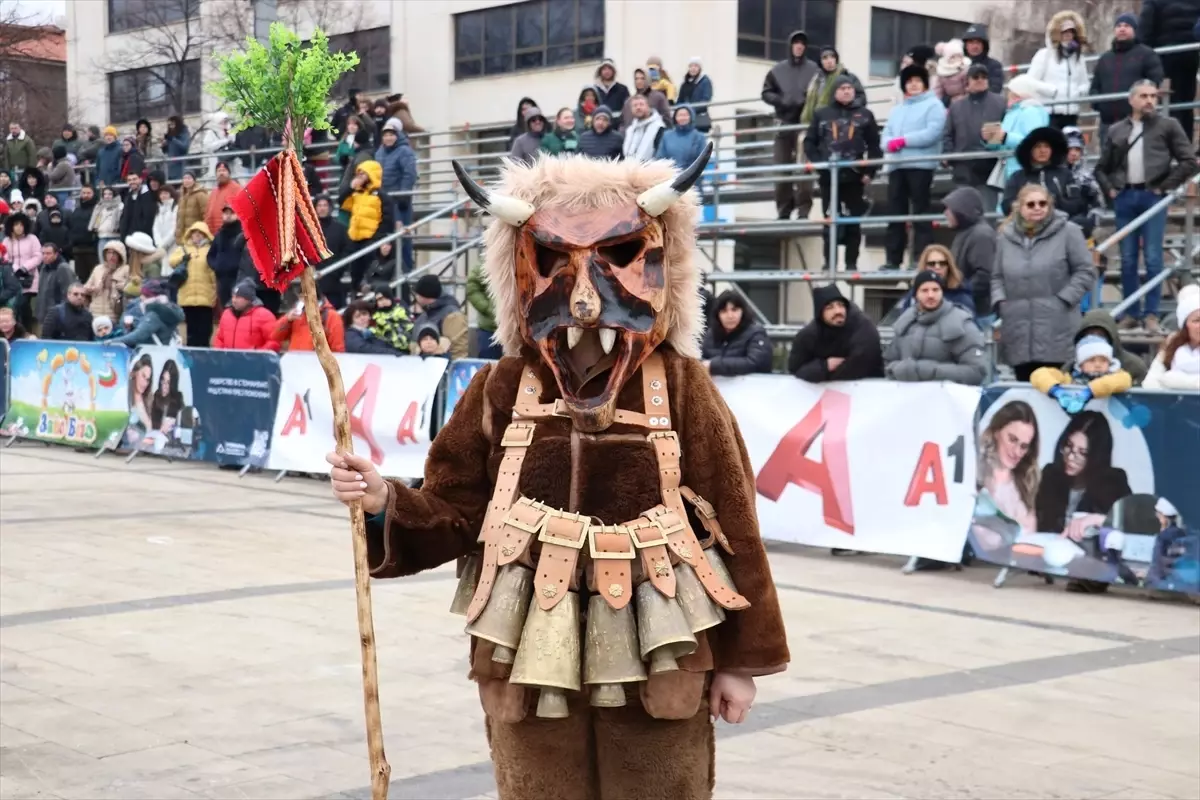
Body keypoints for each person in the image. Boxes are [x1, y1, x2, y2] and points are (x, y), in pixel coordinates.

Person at [330, 151, 787, 800]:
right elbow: (455, 513)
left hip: (659, 662)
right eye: (553, 262)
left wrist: (741, 663)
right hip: (526, 663)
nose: (584, 300)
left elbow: (735, 524)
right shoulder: (499, 389)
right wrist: (385, 501)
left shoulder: (683, 389)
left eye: (615, 257)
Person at [1094, 81, 1196, 333]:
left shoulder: (1168, 125)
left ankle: (1151, 314)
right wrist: (1111, 190)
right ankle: (1131, 313)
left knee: (1152, 257)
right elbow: (1101, 168)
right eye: (1144, 96)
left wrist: (1165, 187)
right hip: (1125, 196)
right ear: (1131, 100)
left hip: (1153, 196)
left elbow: (1189, 161)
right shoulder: (1117, 129)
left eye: (1153, 96)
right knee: (1128, 258)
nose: (1150, 100)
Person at [992, 185, 1094, 381]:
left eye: (1042, 203)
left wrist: (1063, 300)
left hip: (1058, 327)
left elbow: (1085, 271)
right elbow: (996, 276)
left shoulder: (1069, 232)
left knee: (1057, 389)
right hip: (1017, 329)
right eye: (1031, 204)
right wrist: (1001, 303)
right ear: (1020, 207)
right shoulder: (1004, 237)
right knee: (1025, 391)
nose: (1037, 207)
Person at [802, 75, 880, 270]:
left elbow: (874, 146)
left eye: (849, 88)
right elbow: (809, 142)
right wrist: (820, 164)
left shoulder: (865, 115)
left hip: (855, 177)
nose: (846, 91)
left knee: (853, 221)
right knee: (830, 221)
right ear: (835, 91)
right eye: (842, 88)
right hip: (829, 177)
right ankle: (829, 263)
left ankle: (851, 263)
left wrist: (870, 172)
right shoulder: (822, 113)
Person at [880, 64, 946, 269]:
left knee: (920, 212)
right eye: (909, 81)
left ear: (925, 84)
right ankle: (893, 259)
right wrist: (889, 144)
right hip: (896, 166)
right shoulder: (897, 110)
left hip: (921, 165)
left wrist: (903, 141)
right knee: (895, 213)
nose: (913, 84)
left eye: (918, 80)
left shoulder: (934, 105)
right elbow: (885, 136)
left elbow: (932, 133)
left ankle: (921, 258)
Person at [1033, 410, 1132, 545]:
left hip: (1093, 556)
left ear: (1097, 457)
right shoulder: (1050, 474)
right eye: (1069, 446)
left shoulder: (1114, 481)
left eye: (1082, 453)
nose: (1071, 457)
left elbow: (1135, 526)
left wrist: (1097, 520)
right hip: (1050, 551)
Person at [884, 271, 987, 385]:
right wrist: (901, 370)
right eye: (924, 290)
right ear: (916, 294)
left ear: (942, 292)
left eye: (935, 290)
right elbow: (888, 365)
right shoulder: (905, 322)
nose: (930, 295)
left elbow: (976, 371)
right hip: (907, 394)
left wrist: (928, 371)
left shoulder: (961, 323)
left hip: (948, 395)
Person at [1002, 126, 1100, 237]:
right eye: (1038, 147)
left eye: (1046, 146)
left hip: (1060, 227)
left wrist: (1056, 201)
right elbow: (1007, 206)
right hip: (1028, 229)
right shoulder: (1017, 177)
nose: (1043, 150)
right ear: (1029, 150)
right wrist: (1031, 206)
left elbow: (1077, 204)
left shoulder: (1065, 174)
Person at [762, 30, 818, 220]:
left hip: (805, 126)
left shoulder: (814, 70)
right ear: (791, 46)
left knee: (804, 170)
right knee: (781, 169)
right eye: (796, 43)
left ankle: (803, 211)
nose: (799, 46)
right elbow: (766, 92)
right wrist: (781, 101)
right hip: (784, 125)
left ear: (805, 47)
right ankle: (784, 210)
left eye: (802, 43)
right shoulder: (778, 70)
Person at [1090, 14, 1165, 146]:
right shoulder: (1105, 59)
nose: (1122, 29)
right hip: (1108, 123)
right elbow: (1095, 86)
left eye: (1127, 26)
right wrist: (1098, 105)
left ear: (1135, 30)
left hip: (1137, 122)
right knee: (1108, 158)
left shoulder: (1147, 54)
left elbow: (1155, 82)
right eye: (1119, 26)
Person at [943, 64, 1008, 211]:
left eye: (984, 77)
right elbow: (947, 133)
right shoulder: (956, 106)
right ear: (968, 81)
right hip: (963, 168)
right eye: (976, 77)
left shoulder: (1000, 103)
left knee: (988, 213)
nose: (980, 80)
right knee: (963, 213)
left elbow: (1007, 131)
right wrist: (948, 156)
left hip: (990, 168)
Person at [787, 285, 883, 382]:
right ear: (820, 314)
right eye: (830, 308)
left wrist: (824, 375)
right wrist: (825, 366)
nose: (838, 311)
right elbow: (795, 369)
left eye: (841, 305)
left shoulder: (863, 327)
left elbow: (861, 365)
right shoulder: (809, 335)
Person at [976, 401, 1040, 537]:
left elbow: (1030, 536)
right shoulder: (973, 471)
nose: (1017, 452)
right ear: (996, 432)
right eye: (1012, 439)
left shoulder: (1026, 482)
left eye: (1024, 446)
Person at [1140, 0, 1200, 144]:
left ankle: (1171, 146)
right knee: (1186, 104)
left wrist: (1142, 56)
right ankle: (1185, 147)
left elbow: (1145, 29)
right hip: (1190, 54)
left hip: (1164, 56)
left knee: (1168, 104)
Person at [1031, 333, 1134, 415]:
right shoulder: (1069, 379)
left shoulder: (1117, 375)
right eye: (1091, 360)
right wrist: (1056, 391)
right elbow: (1038, 374)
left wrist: (1089, 392)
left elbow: (1125, 379)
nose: (1098, 365)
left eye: (1103, 360)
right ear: (1081, 364)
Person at [1027, 12, 1091, 130]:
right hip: (1049, 112)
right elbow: (1030, 81)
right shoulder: (1044, 55)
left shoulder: (1078, 58)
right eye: (1064, 32)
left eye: (1071, 32)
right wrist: (1052, 91)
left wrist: (1078, 92)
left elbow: (1085, 83)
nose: (1068, 35)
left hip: (1072, 113)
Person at [339, 160, 394, 293]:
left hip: (371, 240)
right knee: (355, 272)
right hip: (355, 239)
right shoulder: (356, 193)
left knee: (370, 271)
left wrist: (376, 237)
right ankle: (356, 294)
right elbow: (341, 202)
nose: (360, 176)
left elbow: (388, 219)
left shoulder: (381, 196)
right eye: (358, 174)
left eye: (363, 173)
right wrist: (350, 187)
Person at [984, 75, 1051, 186]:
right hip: (1010, 170)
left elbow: (1035, 142)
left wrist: (1005, 137)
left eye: (1011, 91)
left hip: (1024, 170)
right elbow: (1003, 143)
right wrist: (990, 139)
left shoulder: (1032, 112)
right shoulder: (1012, 112)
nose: (1008, 94)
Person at [942, 187, 996, 317]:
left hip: (978, 313)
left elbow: (985, 276)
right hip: (968, 309)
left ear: (962, 211)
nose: (945, 213)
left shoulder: (981, 235)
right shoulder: (965, 232)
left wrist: (959, 294)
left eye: (949, 209)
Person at [375, 118, 417, 277]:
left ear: (397, 135)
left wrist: (404, 195)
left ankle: (406, 271)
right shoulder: (379, 152)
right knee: (386, 238)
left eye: (391, 134)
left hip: (399, 202)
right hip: (384, 201)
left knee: (402, 236)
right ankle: (388, 273)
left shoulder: (405, 151)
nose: (388, 138)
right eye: (385, 135)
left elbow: (409, 173)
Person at [700, 290, 772, 376]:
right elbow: (698, 359)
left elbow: (755, 363)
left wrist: (713, 365)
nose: (730, 316)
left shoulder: (756, 333)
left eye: (734, 310)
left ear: (743, 311)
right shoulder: (711, 335)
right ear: (717, 314)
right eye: (724, 311)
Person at [1143, 284, 1200, 390]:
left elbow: (1166, 379)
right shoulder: (1172, 343)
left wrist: (1172, 380)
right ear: (1185, 325)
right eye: (1196, 321)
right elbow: (1149, 383)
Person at [168, 221, 216, 347]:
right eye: (194, 233)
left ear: (205, 235)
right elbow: (171, 262)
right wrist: (182, 258)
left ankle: (204, 353)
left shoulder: (210, 250)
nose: (197, 235)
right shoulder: (183, 249)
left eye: (200, 233)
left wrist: (215, 291)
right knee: (190, 331)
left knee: (205, 330)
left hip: (205, 297)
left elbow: (213, 273)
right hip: (187, 297)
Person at [897, 245, 976, 314]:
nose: (937, 267)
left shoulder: (962, 297)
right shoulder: (913, 295)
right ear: (925, 266)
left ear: (949, 266)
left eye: (942, 263)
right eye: (932, 264)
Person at [109, 280, 185, 347]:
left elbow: (138, 336)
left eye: (144, 295)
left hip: (151, 353)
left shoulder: (154, 314)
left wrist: (111, 342)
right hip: (164, 351)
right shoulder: (167, 311)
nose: (141, 298)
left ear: (152, 297)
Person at [801, 46, 865, 124]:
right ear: (820, 61)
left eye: (832, 57)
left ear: (836, 59)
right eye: (825, 58)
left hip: (839, 122)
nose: (829, 61)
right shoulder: (816, 80)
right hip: (817, 122)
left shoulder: (847, 77)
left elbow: (861, 98)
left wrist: (846, 108)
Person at [411, 274, 468, 360]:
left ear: (423, 296)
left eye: (416, 294)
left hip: (441, 365)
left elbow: (458, 351)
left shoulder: (452, 315)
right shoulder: (427, 313)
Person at [1145, 497, 1197, 592]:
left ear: (1163, 518)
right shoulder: (1185, 535)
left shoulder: (1162, 538)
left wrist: (1148, 580)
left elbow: (1156, 568)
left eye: (1158, 515)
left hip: (1167, 586)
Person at [213, 280, 279, 351]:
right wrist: (220, 354)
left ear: (249, 299)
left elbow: (274, 341)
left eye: (238, 297)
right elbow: (219, 339)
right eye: (233, 297)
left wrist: (258, 354)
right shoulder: (226, 314)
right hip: (228, 357)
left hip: (254, 358)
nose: (234, 300)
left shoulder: (264, 315)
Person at [2, 212, 41, 330]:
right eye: (16, 224)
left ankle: (27, 330)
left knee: (24, 305)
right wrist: (14, 268)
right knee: (14, 307)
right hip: (12, 278)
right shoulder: (7, 240)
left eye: (21, 225)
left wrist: (24, 267)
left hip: (28, 278)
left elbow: (38, 256)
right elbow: (5, 257)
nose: (19, 227)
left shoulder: (32, 238)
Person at [271, 294, 345, 353]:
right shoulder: (295, 315)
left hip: (317, 364)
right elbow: (275, 336)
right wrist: (287, 319)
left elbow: (337, 349)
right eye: (301, 297)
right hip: (295, 361)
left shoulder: (332, 316)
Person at [314, 194, 351, 306]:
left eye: (325, 205)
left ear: (330, 208)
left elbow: (347, 251)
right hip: (313, 278)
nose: (322, 208)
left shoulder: (340, 229)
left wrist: (337, 270)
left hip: (335, 278)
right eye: (319, 205)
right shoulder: (307, 229)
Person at [206, 204, 244, 307]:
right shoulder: (219, 234)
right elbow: (210, 255)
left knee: (237, 307)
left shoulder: (242, 233)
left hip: (238, 277)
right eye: (226, 213)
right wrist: (217, 266)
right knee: (225, 307)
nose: (228, 215)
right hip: (222, 278)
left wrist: (239, 267)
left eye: (231, 213)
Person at [85, 240, 130, 322]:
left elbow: (133, 290)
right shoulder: (98, 269)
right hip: (95, 314)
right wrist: (91, 288)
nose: (111, 256)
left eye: (114, 253)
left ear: (120, 254)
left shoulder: (126, 269)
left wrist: (124, 286)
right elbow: (85, 287)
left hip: (114, 316)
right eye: (109, 252)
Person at [465, 261, 501, 359]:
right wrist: (487, 308)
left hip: (519, 329)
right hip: (490, 327)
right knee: (488, 363)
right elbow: (473, 288)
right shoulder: (487, 262)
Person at [655, 106, 707, 170]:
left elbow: (703, 160)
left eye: (685, 115)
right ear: (675, 118)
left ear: (691, 117)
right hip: (671, 173)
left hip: (693, 173)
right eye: (680, 115)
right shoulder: (667, 136)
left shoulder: (699, 137)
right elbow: (660, 157)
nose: (682, 118)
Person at [36, 242, 76, 321]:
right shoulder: (44, 268)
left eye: (48, 253)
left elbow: (68, 293)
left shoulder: (63, 268)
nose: (45, 256)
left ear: (56, 254)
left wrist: (62, 313)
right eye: (43, 253)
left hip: (58, 314)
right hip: (44, 313)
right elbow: (41, 292)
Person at [67, 184, 99, 283]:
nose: (85, 195)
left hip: (92, 250)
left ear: (94, 194)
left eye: (88, 193)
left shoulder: (97, 209)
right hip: (78, 250)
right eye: (83, 193)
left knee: (95, 278)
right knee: (82, 279)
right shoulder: (77, 210)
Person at [961, 23, 1004, 94]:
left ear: (984, 45)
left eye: (978, 42)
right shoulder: (957, 64)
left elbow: (995, 89)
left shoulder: (994, 66)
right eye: (971, 42)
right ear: (966, 45)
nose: (975, 46)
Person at [621, 95, 667, 161]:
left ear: (648, 107)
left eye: (641, 104)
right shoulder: (630, 129)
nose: (638, 107)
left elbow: (660, 154)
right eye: (635, 105)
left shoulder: (659, 127)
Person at [369, 286, 412, 353]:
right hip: (386, 349)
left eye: (385, 298)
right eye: (379, 300)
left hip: (405, 347)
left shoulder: (400, 310)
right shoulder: (375, 316)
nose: (383, 302)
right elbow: (376, 331)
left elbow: (409, 326)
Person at [203, 162, 241, 237]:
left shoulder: (237, 189)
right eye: (219, 171)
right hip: (214, 236)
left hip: (231, 235)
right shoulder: (213, 192)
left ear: (229, 173)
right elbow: (207, 214)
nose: (221, 173)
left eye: (224, 170)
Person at [677, 57, 713, 132]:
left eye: (696, 66)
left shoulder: (705, 81)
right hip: (686, 120)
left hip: (700, 119)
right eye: (691, 66)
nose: (693, 68)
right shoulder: (685, 84)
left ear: (700, 68)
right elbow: (680, 100)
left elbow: (706, 99)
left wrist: (690, 110)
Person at [118, 172, 156, 240]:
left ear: (140, 180)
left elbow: (149, 218)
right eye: (129, 180)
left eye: (134, 179)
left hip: (144, 237)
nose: (132, 182)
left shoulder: (148, 196)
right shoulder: (127, 197)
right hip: (129, 236)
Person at [932, 40, 970, 108]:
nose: (956, 59)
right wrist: (936, 103)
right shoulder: (941, 72)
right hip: (948, 101)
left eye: (959, 56)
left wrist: (964, 98)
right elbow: (938, 89)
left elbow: (968, 86)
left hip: (964, 101)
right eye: (953, 57)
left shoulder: (964, 70)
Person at [174, 172, 208, 245]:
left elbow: (206, 215)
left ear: (194, 180)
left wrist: (201, 233)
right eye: (185, 178)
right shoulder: (182, 197)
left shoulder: (200, 195)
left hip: (195, 236)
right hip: (182, 237)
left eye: (189, 178)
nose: (186, 180)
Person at [161, 116, 190, 182]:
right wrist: (164, 146)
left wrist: (173, 139)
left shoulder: (184, 133)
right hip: (170, 167)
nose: (171, 127)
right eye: (169, 125)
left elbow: (184, 147)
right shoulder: (170, 134)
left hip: (180, 167)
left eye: (172, 124)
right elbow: (167, 151)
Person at [46, 145, 75, 210]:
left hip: (61, 191)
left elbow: (53, 176)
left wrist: (49, 167)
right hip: (61, 191)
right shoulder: (64, 163)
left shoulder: (63, 164)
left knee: (61, 209)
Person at [152, 184, 177, 253]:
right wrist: (159, 243)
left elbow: (174, 229)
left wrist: (164, 244)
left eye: (165, 193)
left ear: (171, 194)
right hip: (160, 246)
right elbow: (155, 228)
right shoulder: (159, 208)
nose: (163, 196)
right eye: (161, 194)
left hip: (173, 244)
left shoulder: (175, 207)